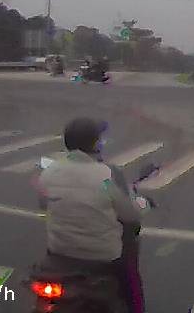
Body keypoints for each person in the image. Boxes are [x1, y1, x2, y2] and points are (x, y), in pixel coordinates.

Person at [36, 117, 143, 312]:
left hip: (59, 252)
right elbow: (129, 216)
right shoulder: (106, 176)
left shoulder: (48, 173)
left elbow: (44, 204)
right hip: (103, 257)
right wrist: (141, 205)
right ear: (96, 144)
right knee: (131, 279)